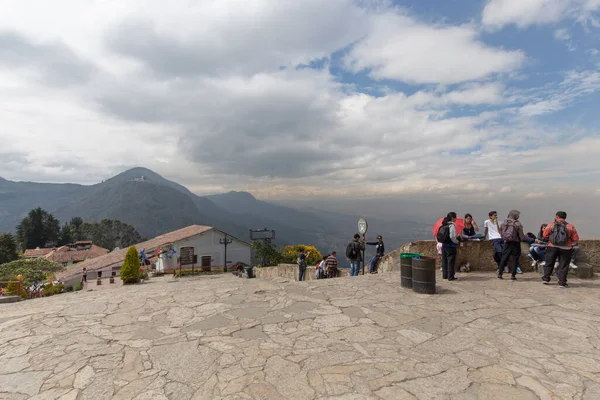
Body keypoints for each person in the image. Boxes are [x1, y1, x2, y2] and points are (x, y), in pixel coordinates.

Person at [542, 211, 579, 288]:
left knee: (549, 263)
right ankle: (562, 282)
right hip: (566, 248)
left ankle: (546, 279)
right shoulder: (570, 226)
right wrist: (570, 243)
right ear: (565, 217)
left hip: (552, 246)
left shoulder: (551, 225)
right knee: (564, 265)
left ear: (557, 217)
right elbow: (575, 238)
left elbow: (545, 235)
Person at [497, 210, 525, 280]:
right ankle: (513, 275)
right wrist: (521, 239)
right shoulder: (517, 223)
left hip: (506, 242)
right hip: (515, 243)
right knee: (515, 259)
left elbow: (501, 232)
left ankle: (500, 274)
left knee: (504, 258)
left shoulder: (504, 222)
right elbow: (521, 235)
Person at [437, 212, 460, 281]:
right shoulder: (451, 225)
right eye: (455, 217)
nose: (456, 219)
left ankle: (445, 275)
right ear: (452, 218)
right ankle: (450, 276)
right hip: (451, 246)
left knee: (444, 261)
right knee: (451, 261)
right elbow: (452, 236)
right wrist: (456, 241)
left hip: (444, 245)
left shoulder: (444, 225)